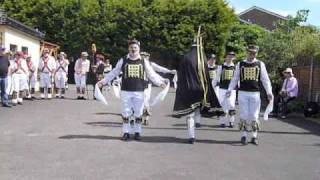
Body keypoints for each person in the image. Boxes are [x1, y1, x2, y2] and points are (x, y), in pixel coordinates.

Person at [97, 39, 167, 141]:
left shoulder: (144, 61)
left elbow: (151, 74)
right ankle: (126, 132)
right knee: (126, 112)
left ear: (138, 49)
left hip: (139, 90)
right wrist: (103, 81)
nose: (133, 50)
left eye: (135, 48)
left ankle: (138, 132)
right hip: (125, 90)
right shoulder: (123, 60)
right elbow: (114, 72)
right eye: (131, 48)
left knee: (138, 112)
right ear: (128, 48)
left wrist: (160, 83)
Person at [173, 39, 221, 144]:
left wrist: (181, 89)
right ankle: (196, 127)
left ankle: (191, 135)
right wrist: (207, 90)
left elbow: (182, 75)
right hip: (200, 89)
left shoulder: (185, 57)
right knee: (197, 109)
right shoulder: (202, 58)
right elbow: (206, 76)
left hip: (188, 89)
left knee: (190, 114)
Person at [227, 45, 273, 145]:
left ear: (256, 53)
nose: (252, 54)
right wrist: (230, 89)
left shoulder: (260, 64)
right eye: (250, 52)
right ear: (247, 52)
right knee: (244, 114)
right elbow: (235, 78)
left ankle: (254, 136)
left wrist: (269, 92)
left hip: (255, 93)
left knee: (254, 115)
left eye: (254, 53)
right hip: (243, 93)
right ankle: (243, 135)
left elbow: (265, 80)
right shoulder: (240, 64)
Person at [140, 51, 176, 125]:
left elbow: (159, 69)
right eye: (143, 56)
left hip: (146, 85)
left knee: (146, 101)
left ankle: (146, 119)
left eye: (146, 56)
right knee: (139, 101)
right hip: (136, 86)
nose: (145, 58)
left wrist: (169, 72)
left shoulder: (150, 64)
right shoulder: (136, 63)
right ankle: (139, 117)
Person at [213, 51, 236, 128]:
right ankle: (222, 122)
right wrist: (212, 86)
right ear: (225, 57)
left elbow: (237, 79)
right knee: (222, 104)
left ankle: (231, 121)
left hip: (232, 89)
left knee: (231, 104)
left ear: (234, 58)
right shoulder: (221, 67)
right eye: (228, 56)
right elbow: (216, 77)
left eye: (231, 56)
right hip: (222, 88)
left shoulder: (235, 67)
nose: (230, 58)